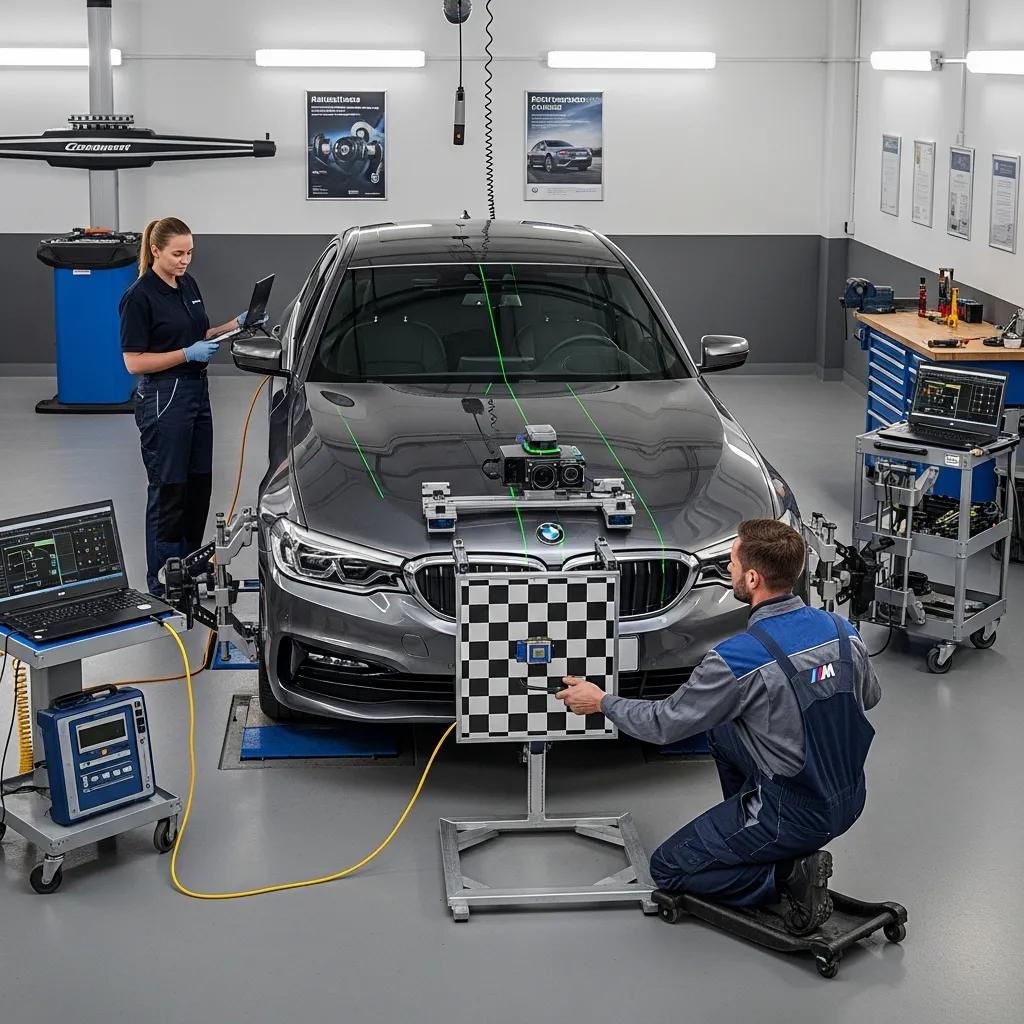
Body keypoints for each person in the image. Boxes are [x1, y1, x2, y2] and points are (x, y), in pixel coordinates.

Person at [556, 518, 881, 934]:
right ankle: (753, 835)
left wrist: (601, 701)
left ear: (752, 577)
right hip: (850, 797)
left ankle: (784, 873)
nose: (727, 570)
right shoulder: (843, 631)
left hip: (794, 813)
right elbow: (867, 698)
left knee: (669, 868)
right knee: (723, 731)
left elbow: (663, 724)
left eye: (730, 562)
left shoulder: (738, 659)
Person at [119, 217, 246, 594]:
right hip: (164, 397)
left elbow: (196, 334)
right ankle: (162, 581)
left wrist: (231, 326)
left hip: (196, 393)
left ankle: (186, 569)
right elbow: (134, 362)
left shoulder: (186, 284)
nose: (185, 260)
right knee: (169, 489)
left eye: (189, 252)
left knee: (197, 486)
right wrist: (186, 353)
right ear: (156, 250)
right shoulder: (139, 297)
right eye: (177, 253)